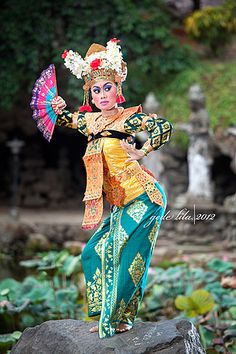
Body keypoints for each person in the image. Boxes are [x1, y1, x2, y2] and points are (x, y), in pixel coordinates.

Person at [51, 38, 173, 339]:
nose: (102, 94)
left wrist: (141, 151)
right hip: (121, 204)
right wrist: (58, 107)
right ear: (90, 95)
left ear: (118, 89)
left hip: (145, 198)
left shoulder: (129, 117)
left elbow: (163, 127)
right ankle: (114, 315)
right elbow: (65, 118)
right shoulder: (89, 120)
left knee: (119, 252)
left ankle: (114, 321)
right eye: (96, 89)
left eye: (107, 87)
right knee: (93, 251)